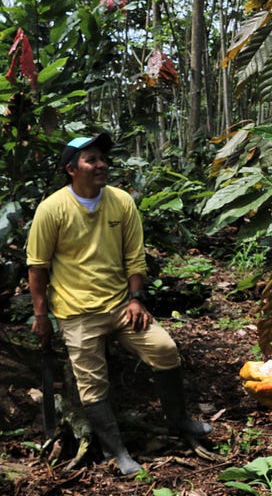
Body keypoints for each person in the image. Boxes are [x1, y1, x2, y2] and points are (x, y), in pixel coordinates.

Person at [26, 133, 212, 476]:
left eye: (102, 159)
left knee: (165, 349)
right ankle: (117, 452)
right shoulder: (51, 209)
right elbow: (37, 267)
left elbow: (134, 257)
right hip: (76, 312)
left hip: (120, 306)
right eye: (91, 160)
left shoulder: (121, 201)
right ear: (71, 169)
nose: (100, 165)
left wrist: (136, 299)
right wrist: (41, 315)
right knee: (92, 384)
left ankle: (179, 420)